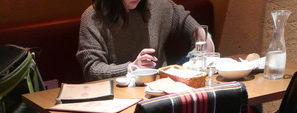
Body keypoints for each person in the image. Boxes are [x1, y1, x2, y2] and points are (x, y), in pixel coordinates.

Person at [77, 0, 214, 82]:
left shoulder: (156, 5)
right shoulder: (93, 17)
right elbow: (92, 70)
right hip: (118, 97)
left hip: (159, 91)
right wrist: (131, 67)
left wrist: (203, 38)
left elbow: (186, 22)